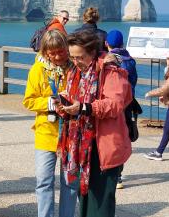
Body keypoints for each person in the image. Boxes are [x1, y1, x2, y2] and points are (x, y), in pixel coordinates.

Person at [57, 30, 132, 217]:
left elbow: (115, 104)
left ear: (92, 52)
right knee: (85, 202)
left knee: (100, 206)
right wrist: (64, 103)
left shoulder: (110, 71)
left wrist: (84, 108)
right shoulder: (75, 72)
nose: (76, 62)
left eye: (80, 57)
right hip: (83, 147)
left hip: (103, 147)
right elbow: (73, 95)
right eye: (72, 57)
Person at [23, 30, 78, 217]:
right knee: (44, 181)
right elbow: (28, 101)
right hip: (46, 132)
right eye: (51, 53)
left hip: (70, 132)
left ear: (67, 49)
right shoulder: (37, 70)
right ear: (45, 52)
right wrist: (48, 103)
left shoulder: (75, 68)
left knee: (69, 181)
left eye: (60, 51)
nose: (56, 57)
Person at [104, 30, 137, 189]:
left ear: (106, 44)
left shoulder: (108, 60)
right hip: (127, 103)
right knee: (122, 136)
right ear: (122, 44)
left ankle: (112, 173)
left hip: (113, 102)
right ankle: (119, 175)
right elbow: (133, 82)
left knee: (111, 135)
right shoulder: (130, 60)